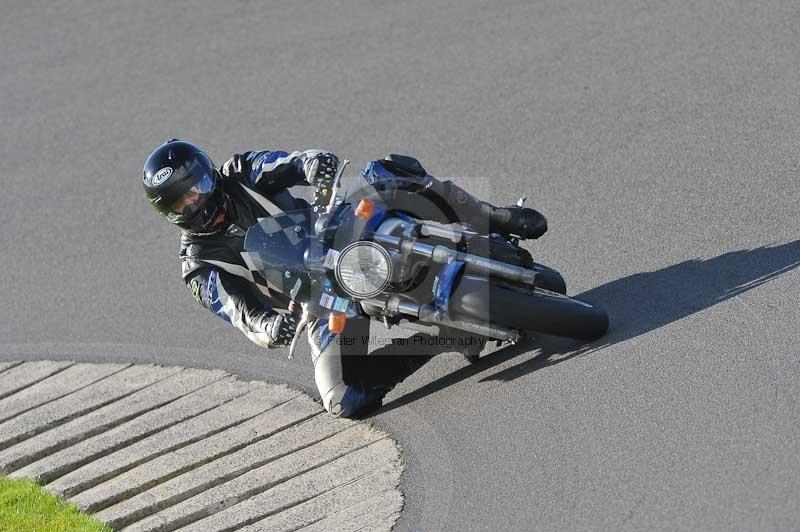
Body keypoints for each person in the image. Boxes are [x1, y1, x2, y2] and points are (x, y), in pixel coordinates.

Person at [142, 139, 547, 417]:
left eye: (198, 185)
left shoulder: (240, 171)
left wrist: (314, 167)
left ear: (209, 173)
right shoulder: (198, 265)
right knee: (343, 398)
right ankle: (444, 337)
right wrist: (273, 328)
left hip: (336, 229)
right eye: (183, 201)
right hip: (317, 298)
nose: (197, 199)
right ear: (170, 213)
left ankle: (492, 216)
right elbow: (241, 313)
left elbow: (289, 163)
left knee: (385, 172)